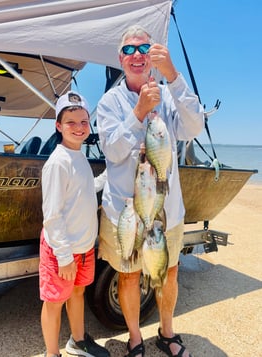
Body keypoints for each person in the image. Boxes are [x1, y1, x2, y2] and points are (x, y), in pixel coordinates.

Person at [96, 25, 204, 357]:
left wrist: (174, 76)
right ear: (120, 59)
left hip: (167, 211)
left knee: (168, 272)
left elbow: (195, 125)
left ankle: (167, 333)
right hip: (125, 213)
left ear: (154, 57)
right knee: (128, 276)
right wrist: (139, 111)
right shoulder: (109, 102)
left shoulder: (170, 93)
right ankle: (134, 336)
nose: (137, 56)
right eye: (129, 51)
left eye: (144, 49)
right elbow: (112, 152)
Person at [39, 91, 110, 357]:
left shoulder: (78, 156)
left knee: (78, 292)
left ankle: (78, 340)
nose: (79, 128)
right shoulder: (57, 162)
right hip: (63, 251)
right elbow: (53, 215)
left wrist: (108, 175)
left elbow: (85, 190)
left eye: (83, 122)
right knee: (54, 302)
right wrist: (65, 256)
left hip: (83, 247)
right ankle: (51, 353)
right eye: (71, 122)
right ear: (58, 125)